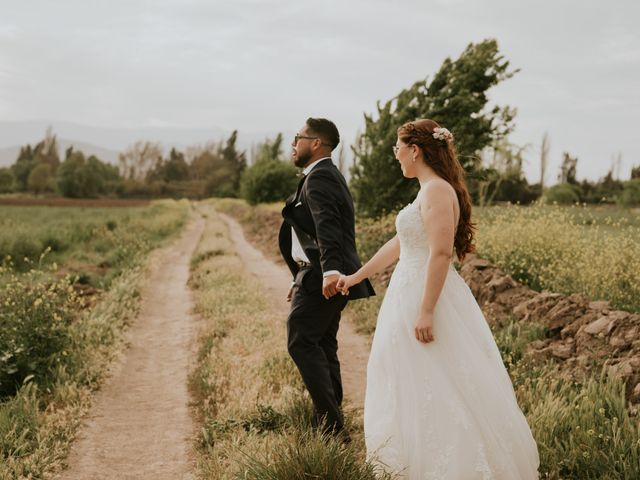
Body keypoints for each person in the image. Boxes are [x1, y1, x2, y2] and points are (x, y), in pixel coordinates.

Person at [337, 119, 539, 479]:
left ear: (415, 150)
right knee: (403, 379)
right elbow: (400, 244)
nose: (395, 155)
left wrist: (426, 310)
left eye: (398, 147)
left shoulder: (436, 192)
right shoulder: (425, 191)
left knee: (438, 383)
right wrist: (355, 277)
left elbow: (441, 253)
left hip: (426, 297)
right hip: (408, 292)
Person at [279, 117, 375, 437]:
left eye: (298, 137)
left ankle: (331, 425)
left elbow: (328, 226)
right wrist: (300, 277)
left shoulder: (320, 177)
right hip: (316, 274)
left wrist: (331, 273)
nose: (293, 144)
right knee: (321, 343)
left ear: (316, 143)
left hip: (326, 275)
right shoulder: (321, 176)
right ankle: (331, 422)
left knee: (301, 340)